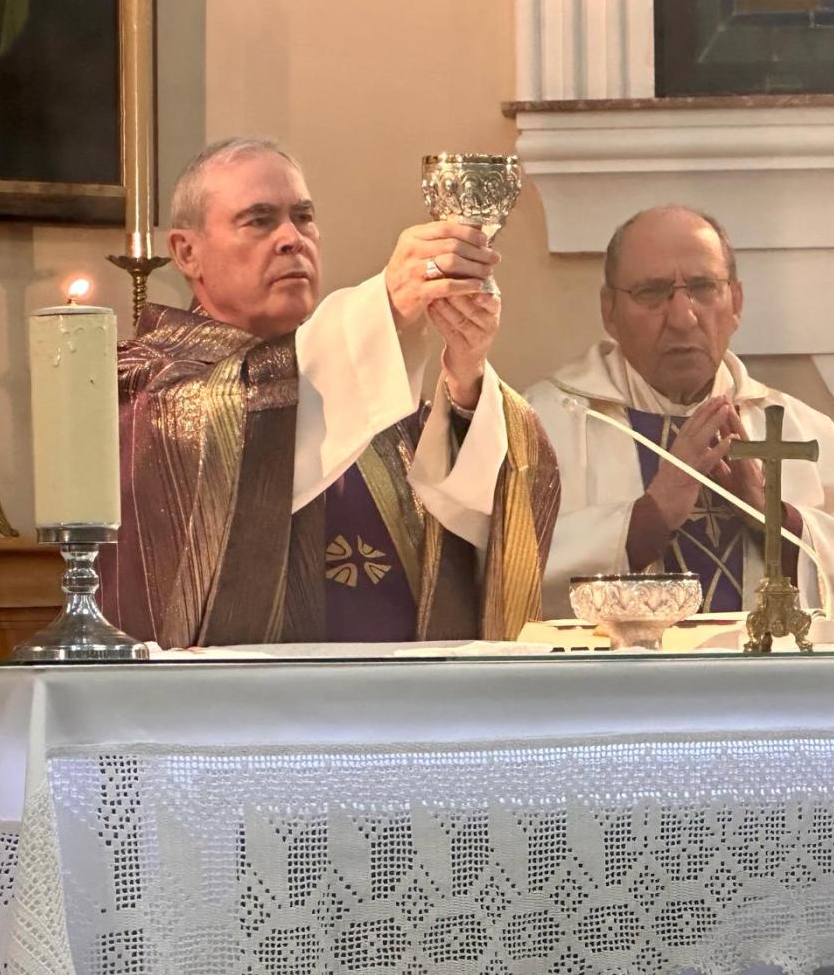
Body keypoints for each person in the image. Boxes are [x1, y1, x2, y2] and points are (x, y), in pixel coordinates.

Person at [100, 137, 559, 648]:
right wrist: (383, 305)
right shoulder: (148, 383)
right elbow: (222, 423)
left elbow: (477, 519)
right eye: (259, 220)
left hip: (406, 712)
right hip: (252, 716)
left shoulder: (369, 391)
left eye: (304, 217)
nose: (292, 238)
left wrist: (466, 378)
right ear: (187, 252)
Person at [525, 205, 834, 643]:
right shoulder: (544, 424)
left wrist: (777, 519)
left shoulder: (797, 428)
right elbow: (504, 576)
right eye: (652, 292)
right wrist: (647, 519)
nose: (682, 317)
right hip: (620, 702)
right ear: (609, 311)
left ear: (735, 303)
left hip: (771, 701)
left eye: (702, 287)